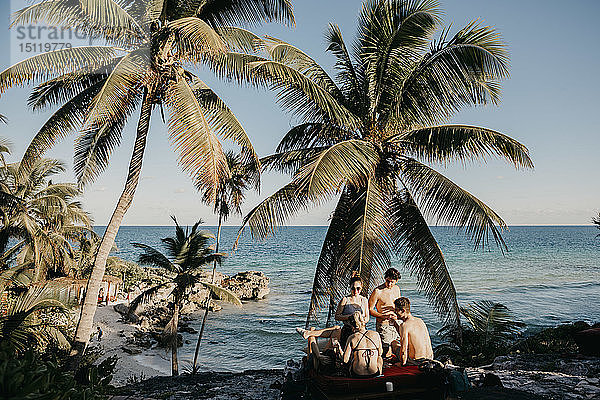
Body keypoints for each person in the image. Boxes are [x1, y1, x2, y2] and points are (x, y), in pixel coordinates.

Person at [390, 297, 434, 366]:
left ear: (403, 310)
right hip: (429, 358)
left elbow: (403, 350)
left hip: (416, 361)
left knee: (394, 343)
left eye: (396, 310)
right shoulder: (420, 321)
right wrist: (395, 324)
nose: (395, 312)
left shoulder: (404, 325)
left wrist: (402, 364)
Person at [368, 267, 401, 357]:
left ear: (396, 281)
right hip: (383, 324)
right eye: (387, 281)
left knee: (398, 345)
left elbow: (398, 306)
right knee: (386, 350)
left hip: (395, 322)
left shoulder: (397, 289)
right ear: (385, 278)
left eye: (392, 282)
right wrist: (382, 316)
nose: (389, 284)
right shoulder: (377, 291)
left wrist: (398, 316)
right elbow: (370, 309)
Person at [343, 311, 383, 378]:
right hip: (374, 373)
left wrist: (338, 348)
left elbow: (345, 360)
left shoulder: (352, 337)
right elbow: (380, 353)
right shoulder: (376, 334)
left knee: (354, 357)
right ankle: (379, 374)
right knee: (379, 358)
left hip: (357, 374)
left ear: (352, 326)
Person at [335, 276, 369, 348]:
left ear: (361, 288)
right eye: (353, 288)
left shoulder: (364, 300)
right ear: (350, 288)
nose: (356, 291)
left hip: (361, 330)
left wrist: (360, 320)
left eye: (358, 288)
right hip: (348, 330)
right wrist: (351, 317)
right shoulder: (345, 300)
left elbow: (367, 317)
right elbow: (337, 316)